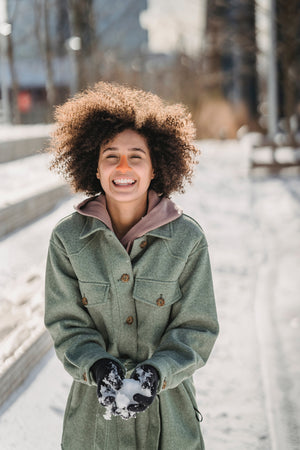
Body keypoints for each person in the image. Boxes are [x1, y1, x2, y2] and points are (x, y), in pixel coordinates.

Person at [44, 81, 219, 450]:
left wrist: (157, 373)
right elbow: (66, 324)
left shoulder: (188, 240)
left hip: (169, 426)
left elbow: (197, 329)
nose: (123, 167)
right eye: (111, 155)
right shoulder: (67, 240)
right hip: (93, 430)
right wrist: (96, 365)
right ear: (94, 165)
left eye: (136, 156)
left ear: (155, 167)